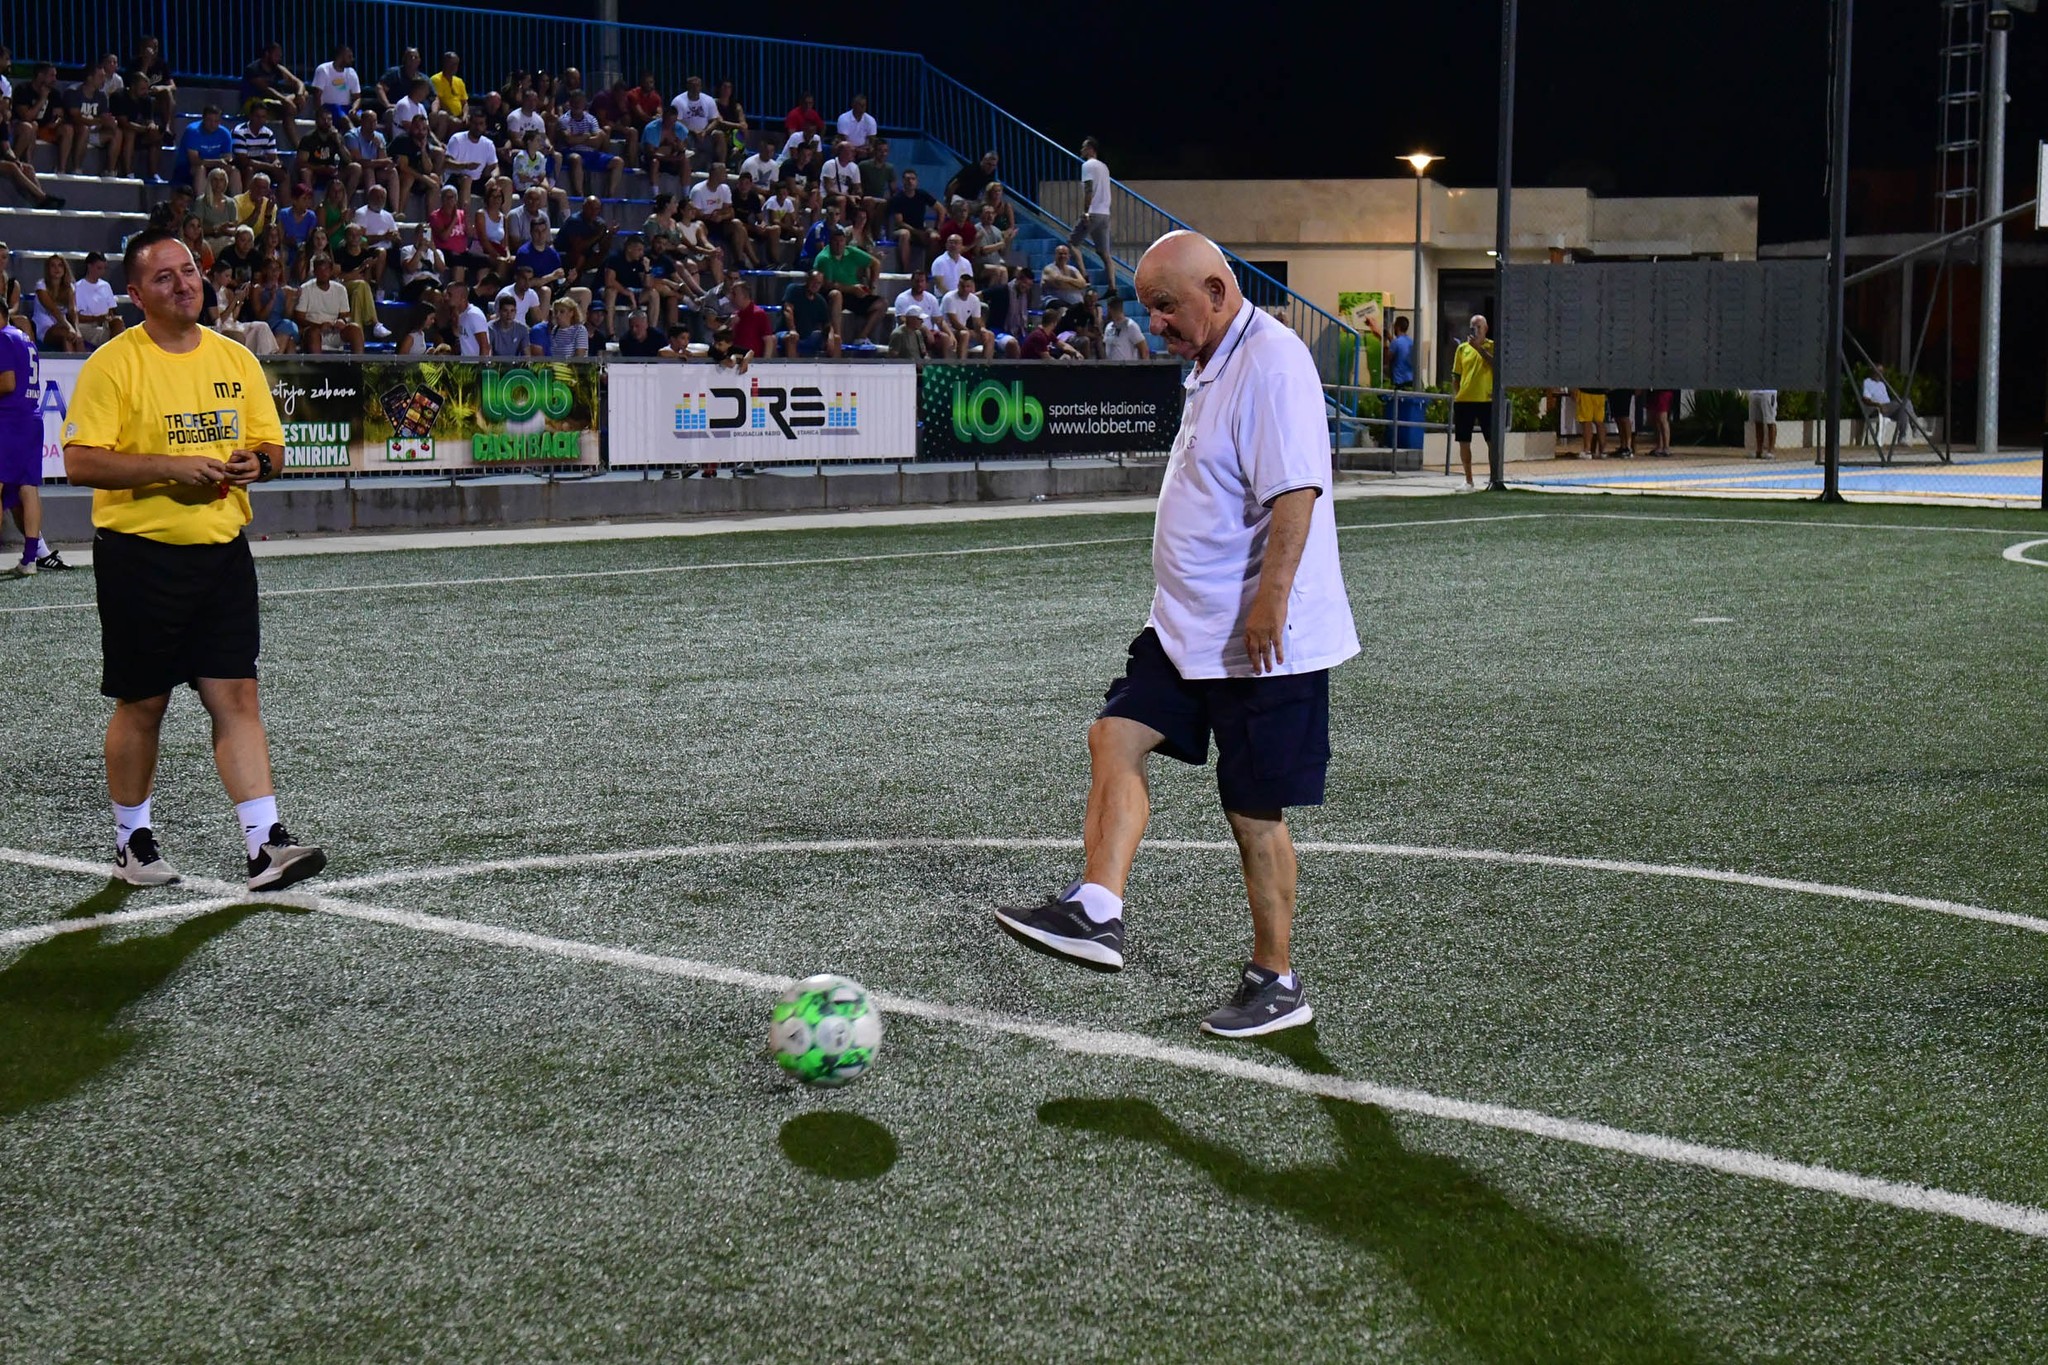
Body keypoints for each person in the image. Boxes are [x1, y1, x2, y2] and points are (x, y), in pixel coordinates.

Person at [994, 231, 1355, 1038]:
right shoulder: (1213, 361)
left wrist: (1271, 602)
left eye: (1168, 305)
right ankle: (1097, 908)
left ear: (1219, 292)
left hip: (1263, 636)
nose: (1156, 322)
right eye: (1148, 306)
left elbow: (1297, 491)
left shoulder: (1271, 362)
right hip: (1187, 625)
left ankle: (1277, 980)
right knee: (1114, 735)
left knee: (1253, 809)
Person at [59, 227, 326, 891]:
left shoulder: (235, 359)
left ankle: (266, 843)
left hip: (222, 553)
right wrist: (170, 468)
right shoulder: (114, 364)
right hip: (138, 557)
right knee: (142, 703)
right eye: (164, 277)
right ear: (135, 293)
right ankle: (132, 842)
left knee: (236, 692)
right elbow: (80, 460)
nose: (183, 284)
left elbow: (272, 446)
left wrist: (253, 464)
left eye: (188, 271)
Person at [1, 314, 67, 575]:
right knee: (26, 486)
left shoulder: (3, 337)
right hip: (30, 418)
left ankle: (33, 557)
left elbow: (7, 383)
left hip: (8, 419)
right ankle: (31, 558)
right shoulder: (25, 339)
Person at [1451, 315, 1494, 489]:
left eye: (1479, 326)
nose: (1475, 330)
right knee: (1463, 440)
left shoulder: (1492, 346)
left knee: (1491, 440)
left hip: (1486, 400)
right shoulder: (1462, 349)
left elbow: (1496, 365)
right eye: (1473, 327)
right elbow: (1456, 374)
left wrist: (1479, 349)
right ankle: (1468, 479)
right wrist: (1457, 393)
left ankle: (1493, 478)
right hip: (1465, 400)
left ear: (1486, 328)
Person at [1069, 137, 1116, 293]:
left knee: (1072, 243)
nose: (1081, 150)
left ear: (1090, 148)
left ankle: (1084, 275)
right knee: (1104, 252)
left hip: (1094, 212)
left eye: (1083, 147)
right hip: (1105, 213)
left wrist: (1086, 211)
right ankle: (1112, 287)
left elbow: (1089, 189)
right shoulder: (1104, 167)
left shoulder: (1087, 166)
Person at [780, 270, 840, 358]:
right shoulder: (794, 289)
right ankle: (793, 369)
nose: (815, 285)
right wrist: (792, 329)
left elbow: (827, 324)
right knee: (792, 338)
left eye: (819, 283)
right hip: (786, 332)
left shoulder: (820, 301)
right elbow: (788, 310)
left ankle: (834, 369)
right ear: (808, 280)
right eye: (813, 281)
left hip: (808, 336)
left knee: (836, 339)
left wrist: (830, 337)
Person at [74, 252, 125, 349]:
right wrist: (97, 318)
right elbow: (76, 317)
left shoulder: (106, 286)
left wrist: (108, 318)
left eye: (104, 268)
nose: (102, 272)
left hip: (104, 324)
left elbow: (112, 310)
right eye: (99, 268)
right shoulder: (78, 287)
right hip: (86, 326)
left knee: (118, 322)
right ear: (90, 266)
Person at [1102, 294, 1147, 360]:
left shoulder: (1131, 326)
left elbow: (1144, 349)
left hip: (1127, 367)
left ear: (1109, 309)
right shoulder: (1108, 327)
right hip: (1111, 367)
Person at [1747, 389, 1777, 460]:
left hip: (1768, 392)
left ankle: (1771, 451)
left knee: (1770, 421)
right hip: (1754, 392)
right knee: (1758, 421)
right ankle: (1759, 450)